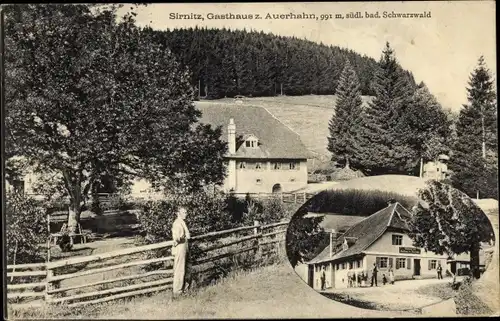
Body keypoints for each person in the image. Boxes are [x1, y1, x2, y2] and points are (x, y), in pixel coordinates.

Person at [172, 206, 191, 297]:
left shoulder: (182, 222)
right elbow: (176, 238)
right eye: (183, 212)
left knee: (186, 269)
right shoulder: (177, 223)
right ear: (178, 213)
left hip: (185, 247)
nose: (185, 214)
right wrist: (183, 236)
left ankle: (185, 289)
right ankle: (177, 291)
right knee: (179, 269)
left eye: (186, 212)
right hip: (180, 248)